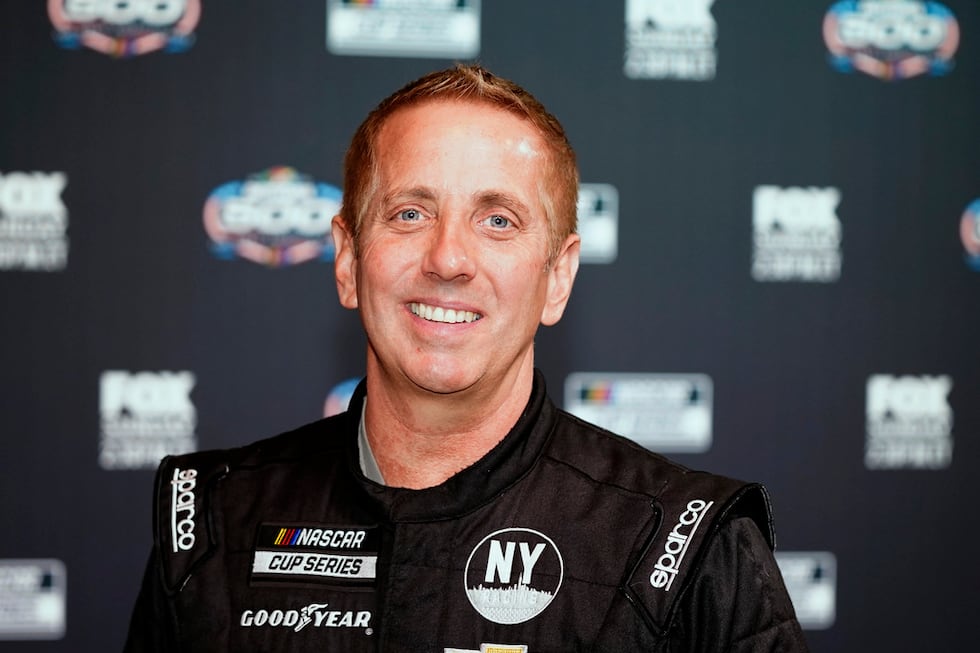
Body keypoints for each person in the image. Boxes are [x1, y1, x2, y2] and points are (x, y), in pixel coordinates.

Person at [124, 64, 809, 652]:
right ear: (347, 258)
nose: (448, 259)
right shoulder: (211, 524)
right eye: (410, 214)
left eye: (498, 220)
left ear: (559, 277)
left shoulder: (684, 546)